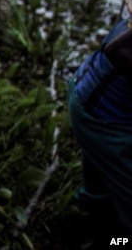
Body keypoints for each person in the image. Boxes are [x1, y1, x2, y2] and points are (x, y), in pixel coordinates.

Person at [67, 16, 132, 237]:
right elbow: (116, 49)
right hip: (105, 121)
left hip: (86, 92)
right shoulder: (123, 49)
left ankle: (89, 217)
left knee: (100, 190)